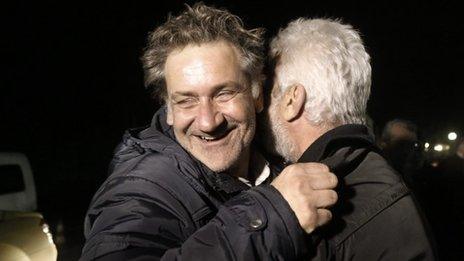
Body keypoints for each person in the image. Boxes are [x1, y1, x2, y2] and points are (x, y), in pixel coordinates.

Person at [81, 4, 338, 261]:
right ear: (168, 109)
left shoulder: (277, 160)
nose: (207, 122)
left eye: (224, 93)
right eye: (186, 101)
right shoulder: (143, 187)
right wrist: (273, 215)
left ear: (257, 94)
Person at [262, 18, 437, 260]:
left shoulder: (329, 206)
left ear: (292, 101)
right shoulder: (369, 172)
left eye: (269, 92)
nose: (260, 107)